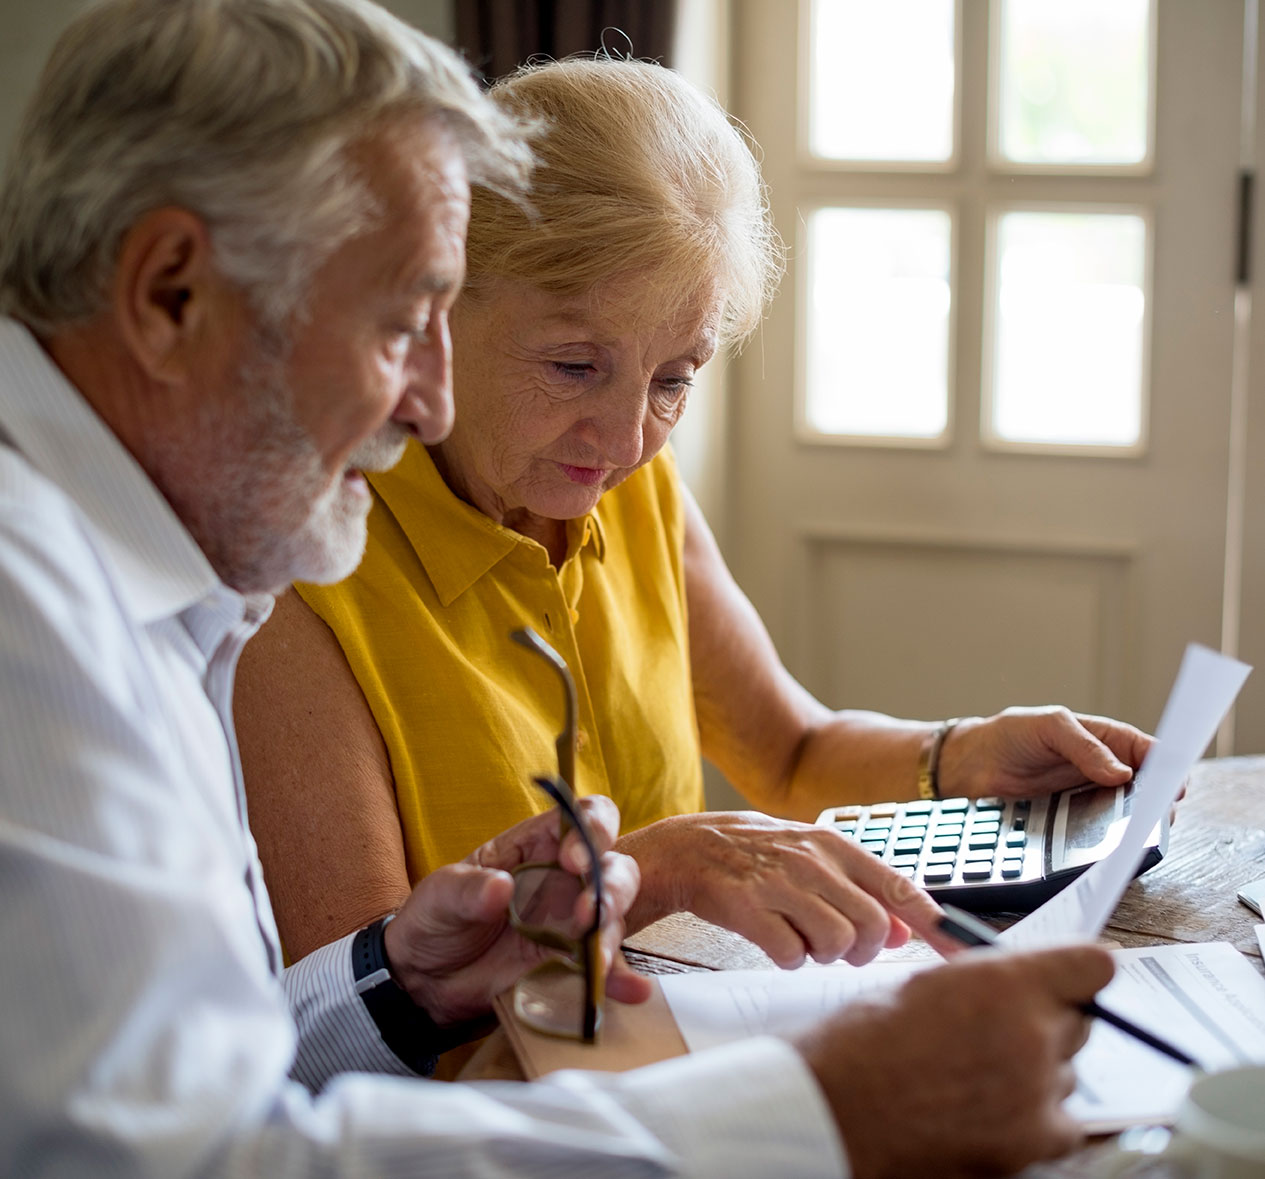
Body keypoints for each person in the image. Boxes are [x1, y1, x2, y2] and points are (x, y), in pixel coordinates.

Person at [0, 2, 1117, 1176]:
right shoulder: (41, 617)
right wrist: (822, 1114)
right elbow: (205, 1162)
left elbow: (200, 1068)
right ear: (170, 293)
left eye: (674, 375)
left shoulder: (155, 584)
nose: (426, 405)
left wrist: (396, 980)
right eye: (397, 326)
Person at [235, 56, 1155, 970]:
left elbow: (790, 754)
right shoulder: (307, 569)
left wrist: (964, 756)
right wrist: (653, 871)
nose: (629, 437)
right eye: (572, 366)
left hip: (678, 1040)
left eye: (674, 378)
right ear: (438, 305)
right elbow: (358, 1004)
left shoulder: (630, 487)